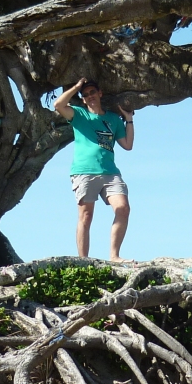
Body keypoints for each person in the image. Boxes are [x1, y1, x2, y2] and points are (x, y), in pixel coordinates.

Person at [53, 77, 135, 260]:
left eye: (92, 92)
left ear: (100, 93)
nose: (90, 96)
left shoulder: (113, 119)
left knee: (123, 208)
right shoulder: (79, 114)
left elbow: (128, 145)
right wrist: (76, 87)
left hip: (110, 172)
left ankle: (114, 256)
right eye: (85, 94)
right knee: (86, 215)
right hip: (84, 171)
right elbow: (58, 105)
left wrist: (129, 120)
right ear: (83, 99)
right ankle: (84, 261)